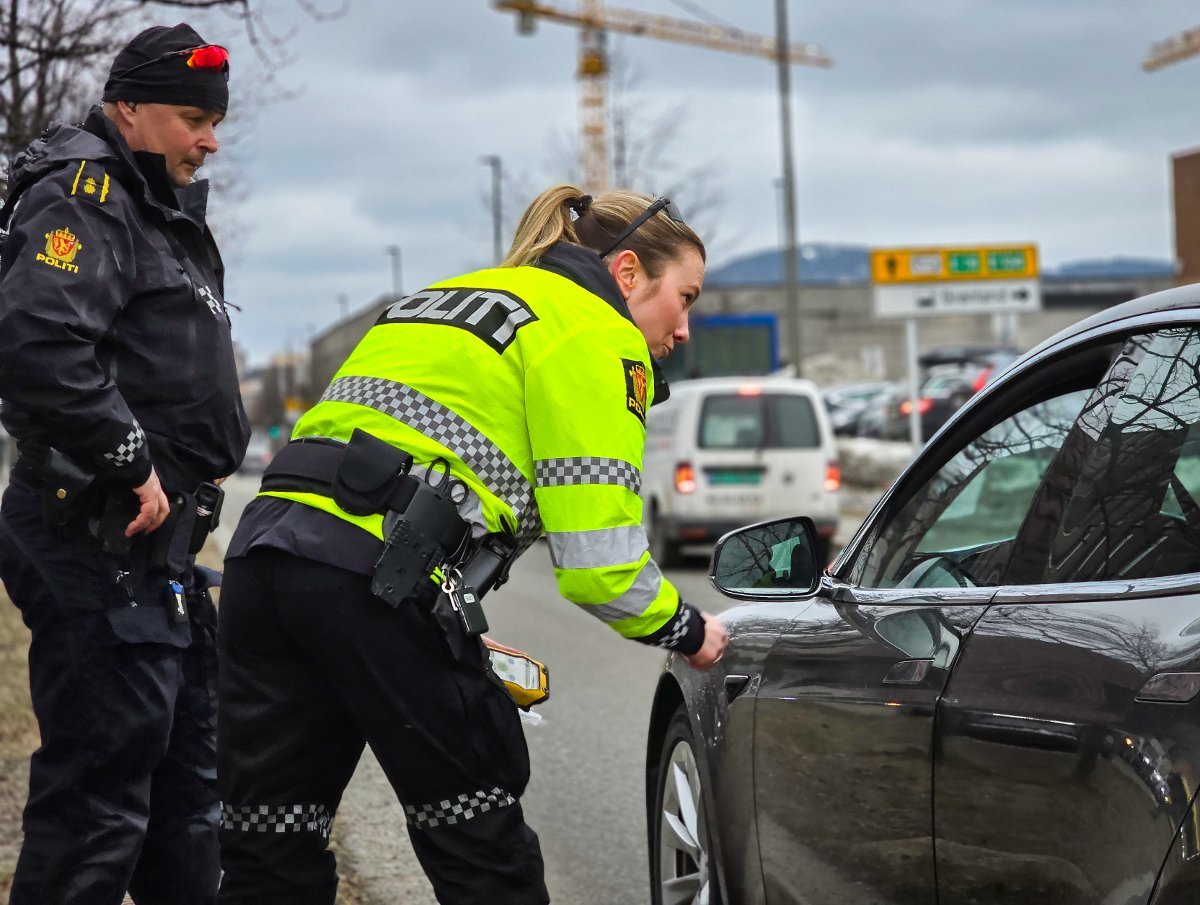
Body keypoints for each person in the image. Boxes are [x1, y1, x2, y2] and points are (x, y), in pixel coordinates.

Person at [216, 185, 730, 903]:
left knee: (269, 845)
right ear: (627, 274)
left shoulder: (448, 295)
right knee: (481, 846)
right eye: (687, 296)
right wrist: (692, 628)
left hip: (262, 562)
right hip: (381, 581)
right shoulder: (594, 330)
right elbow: (600, 565)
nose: (684, 329)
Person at [0, 23, 248, 905]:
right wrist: (131, 456)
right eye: (192, 118)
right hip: (96, 531)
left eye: (215, 121)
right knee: (101, 800)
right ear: (128, 108)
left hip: (155, 548)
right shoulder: (85, 195)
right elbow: (37, 339)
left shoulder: (153, 208)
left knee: (186, 798)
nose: (209, 138)